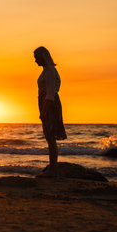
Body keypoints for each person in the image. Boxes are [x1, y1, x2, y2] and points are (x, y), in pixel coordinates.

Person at [34, 46, 67, 177]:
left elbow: (50, 94)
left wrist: (44, 111)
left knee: (51, 137)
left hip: (50, 104)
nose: (35, 60)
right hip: (45, 102)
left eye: (36, 58)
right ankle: (52, 168)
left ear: (42, 57)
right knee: (49, 137)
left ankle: (53, 169)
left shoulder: (50, 72)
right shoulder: (46, 71)